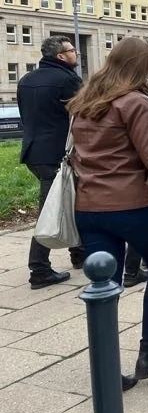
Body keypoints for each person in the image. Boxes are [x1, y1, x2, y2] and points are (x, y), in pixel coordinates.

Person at [69, 38, 148, 392]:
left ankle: (107, 367)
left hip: (89, 207)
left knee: (103, 287)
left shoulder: (85, 101)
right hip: (131, 205)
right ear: (141, 65)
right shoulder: (135, 102)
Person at [16, 35, 85, 288]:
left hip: (33, 152)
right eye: (71, 50)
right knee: (52, 208)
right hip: (59, 155)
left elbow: (27, 116)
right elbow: (83, 116)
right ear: (61, 56)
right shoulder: (68, 80)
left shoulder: (26, 80)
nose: (75, 53)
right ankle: (39, 269)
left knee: (72, 200)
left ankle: (79, 254)